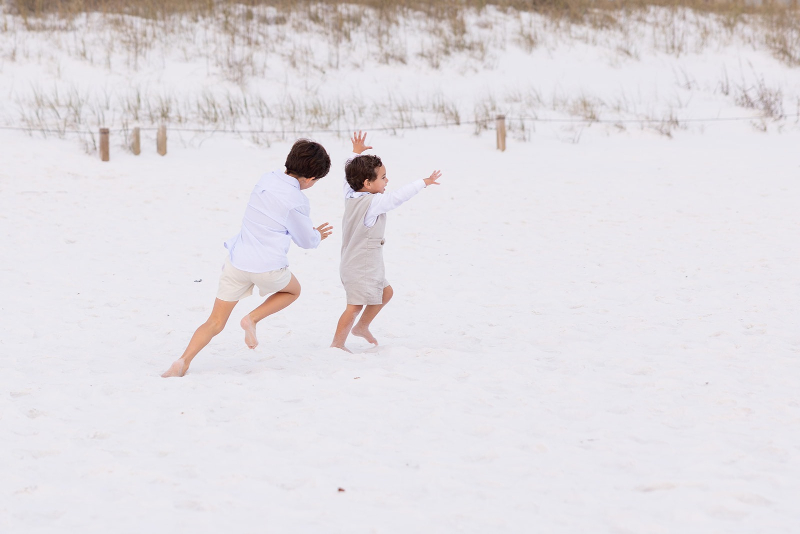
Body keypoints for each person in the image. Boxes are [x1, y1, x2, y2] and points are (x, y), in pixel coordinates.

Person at [162, 139, 333, 377]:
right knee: (293, 291)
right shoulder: (297, 201)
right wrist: (316, 236)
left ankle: (182, 361)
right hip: (268, 266)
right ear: (309, 178)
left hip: (238, 260)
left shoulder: (266, 179)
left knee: (215, 322)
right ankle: (252, 319)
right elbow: (305, 241)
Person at [330, 131, 441, 352]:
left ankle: (361, 327)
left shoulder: (350, 193)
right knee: (354, 306)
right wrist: (424, 182)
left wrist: (355, 153)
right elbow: (398, 197)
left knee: (386, 293)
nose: (386, 180)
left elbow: (346, 176)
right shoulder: (374, 202)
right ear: (367, 184)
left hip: (362, 263)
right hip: (360, 265)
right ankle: (337, 344)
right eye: (382, 177)